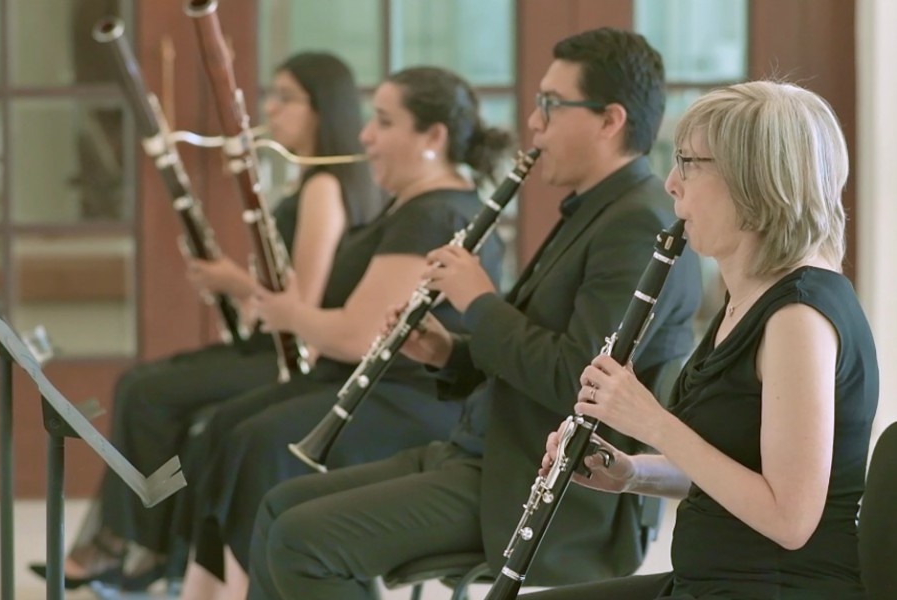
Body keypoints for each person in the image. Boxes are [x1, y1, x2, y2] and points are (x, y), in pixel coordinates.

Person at [245, 28, 703, 600]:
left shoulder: (636, 225)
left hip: (540, 487)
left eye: (551, 106)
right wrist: (449, 352)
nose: (533, 123)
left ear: (609, 120)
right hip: (484, 453)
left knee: (301, 541)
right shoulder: (596, 209)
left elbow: (575, 382)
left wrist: (477, 299)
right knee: (278, 508)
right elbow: (534, 348)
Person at [30, 51, 383, 589]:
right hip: (273, 344)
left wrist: (232, 281)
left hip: (296, 358)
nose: (271, 107)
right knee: (143, 387)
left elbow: (300, 299)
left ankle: (135, 544)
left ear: (323, 108)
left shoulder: (324, 189)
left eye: (286, 97)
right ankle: (138, 542)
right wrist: (239, 291)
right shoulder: (306, 182)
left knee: (148, 395)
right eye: (273, 93)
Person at [522, 81, 878, 599]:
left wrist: (650, 422)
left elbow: (789, 517)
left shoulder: (799, 316)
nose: (670, 183)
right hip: (709, 580)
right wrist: (631, 473)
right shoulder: (749, 296)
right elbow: (736, 471)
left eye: (688, 162)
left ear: (753, 180)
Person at [175, 65, 510, 600]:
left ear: (433, 137)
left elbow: (359, 337)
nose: (365, 136)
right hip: (370, 388)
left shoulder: (438, 213)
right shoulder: (408, 207)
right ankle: (210, 588)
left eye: (382, 121)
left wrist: (285, 311)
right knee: (228, 425)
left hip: (412, 398)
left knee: (260, 443)